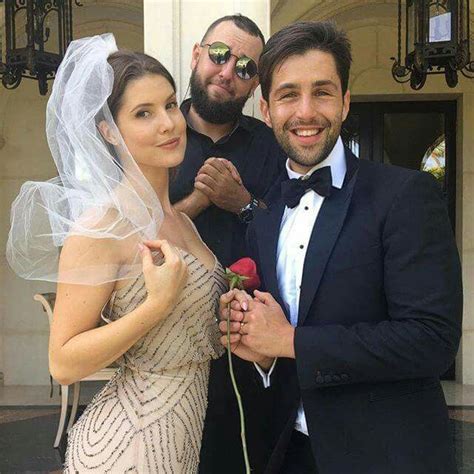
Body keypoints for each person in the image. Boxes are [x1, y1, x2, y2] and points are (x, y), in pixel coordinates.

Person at [220, 21, 462, 474]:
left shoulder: (405, 195)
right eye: (289, 94)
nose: (306, 112)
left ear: (346, 102)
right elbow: (283, 342)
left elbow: (432, 341)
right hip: (287, 452)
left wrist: (291, 341)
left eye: (323, 92)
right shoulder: (266, 216)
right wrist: (264, 351)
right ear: (266, 109)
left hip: (387, 456)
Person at [7, 34, 226, 472]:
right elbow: (63, 362)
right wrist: (157, 304)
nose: (167, 123)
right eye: (143, 113)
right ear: (108, 130)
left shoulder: (182, 221)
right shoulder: (101, 227)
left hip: (180, 437)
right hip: (128, 448)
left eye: (168, 105)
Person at [169, 15, 285, 474]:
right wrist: (200, 199)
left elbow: (297, 237)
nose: (227, 71)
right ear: (197, 55)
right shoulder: (159, 134)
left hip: (250, 345)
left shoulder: (272, 147)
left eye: (244, 67)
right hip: (168, 341)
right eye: (220, 55)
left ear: (255, 84)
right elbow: (130, 235)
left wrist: (243, 203)